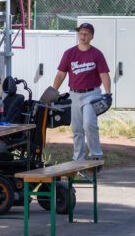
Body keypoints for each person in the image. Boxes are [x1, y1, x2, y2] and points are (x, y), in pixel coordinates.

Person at [52, 22, 112, 162]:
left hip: (92, 94)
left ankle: (96, 156)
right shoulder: (69, 53)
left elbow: (104, 74)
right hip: (74, 94)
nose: (82, 36)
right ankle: (78, 159)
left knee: (89, 124)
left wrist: (108, 93)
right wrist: (54, 91)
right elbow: (61, 74)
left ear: (91, 36)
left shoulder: (96, 54)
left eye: (86, 34)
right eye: (80, 33)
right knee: (77, 129)